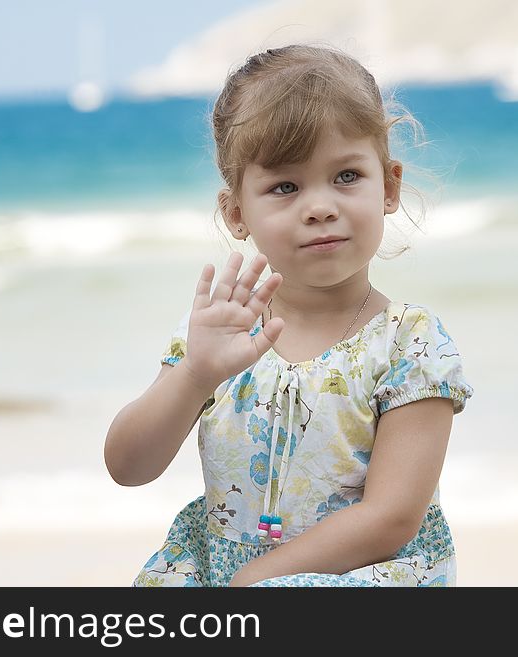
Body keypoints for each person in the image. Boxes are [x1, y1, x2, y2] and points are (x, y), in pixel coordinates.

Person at [104, 44, 474, 587]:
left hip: (356, 575)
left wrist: (256, 582)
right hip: (227, 573)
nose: (320, 205)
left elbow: (390, 518)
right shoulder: (218, 335)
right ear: (236, 213)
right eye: (285, 187)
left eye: (347, 176)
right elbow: (128, 467)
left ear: (389, 186)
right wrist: (195, 376)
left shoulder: (409, 343)